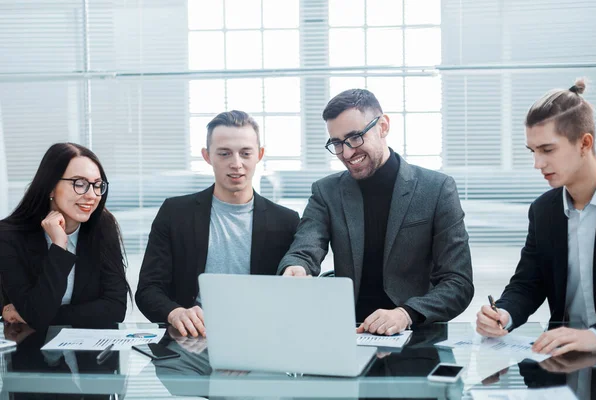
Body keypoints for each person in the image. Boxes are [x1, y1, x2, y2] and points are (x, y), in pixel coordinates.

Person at [278, 89, 474, 335]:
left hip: (416, 335)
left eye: (355, 137)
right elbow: (306, 247)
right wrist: (296, 267)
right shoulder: (326, 192)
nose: (347, 153)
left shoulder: (436, 189)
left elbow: (458, 283)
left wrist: (406, 314)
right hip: (349, 332)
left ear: (383, 126)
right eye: (337, 143)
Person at [135, 110, 300, 337]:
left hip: (262, 340)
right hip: (190, 343)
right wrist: (174, 312)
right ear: (207, 156)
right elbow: (148, 290)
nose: (236, 163)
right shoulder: (175, 213)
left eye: (245, 153)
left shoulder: (287, 221)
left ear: (259, 154)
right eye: (224, 154)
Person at [476, 79, 596, 357]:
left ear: (584, 143)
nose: (537, 164)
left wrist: (595, 338)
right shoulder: (544, 210)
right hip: (563, 361)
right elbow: (529, 283)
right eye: (533, 151)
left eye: (548, 150)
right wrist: (504, 314)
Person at [0, 143, 130, 330]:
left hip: (88, 353)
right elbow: (35, 315)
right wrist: (59, 246)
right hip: (30, 351)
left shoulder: (103, 225)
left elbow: (115, 308)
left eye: (97, 185)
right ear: (50, 187)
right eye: (80, 184)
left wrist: (33, 315)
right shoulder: (9, 236)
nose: (92, 195)